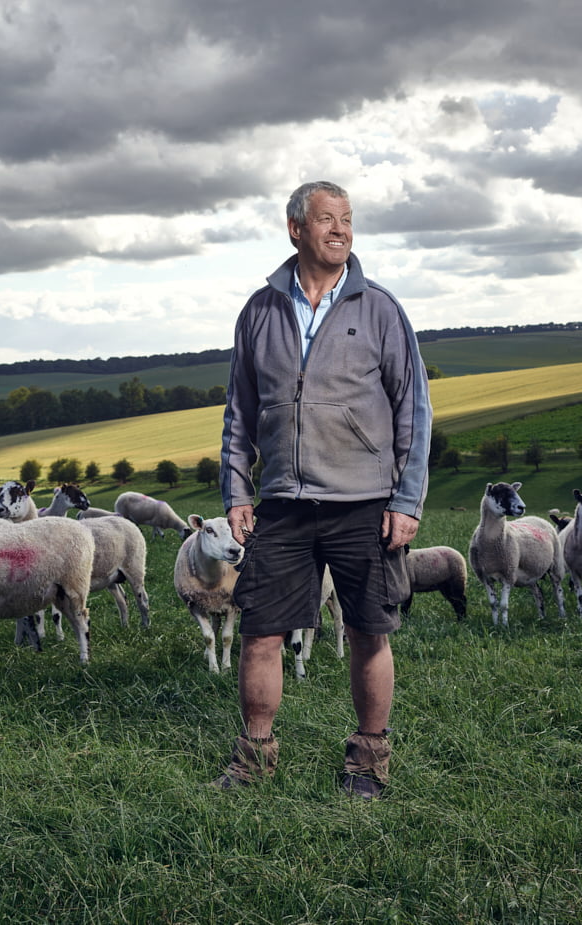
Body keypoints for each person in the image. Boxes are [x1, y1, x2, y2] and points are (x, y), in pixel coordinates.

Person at [215, 180, 432, 798]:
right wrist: (237, 491)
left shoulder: (380, 309)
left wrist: (406, 500)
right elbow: (239, 411)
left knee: (368, 630)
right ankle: (253, 759)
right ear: (295, 230)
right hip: (282, 503)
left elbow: (413, 408)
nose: (339, 229)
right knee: (260, 630)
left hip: (364, 502)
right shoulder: (260, 311)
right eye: (326, 219)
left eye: (347, 220)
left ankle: (368, 761)